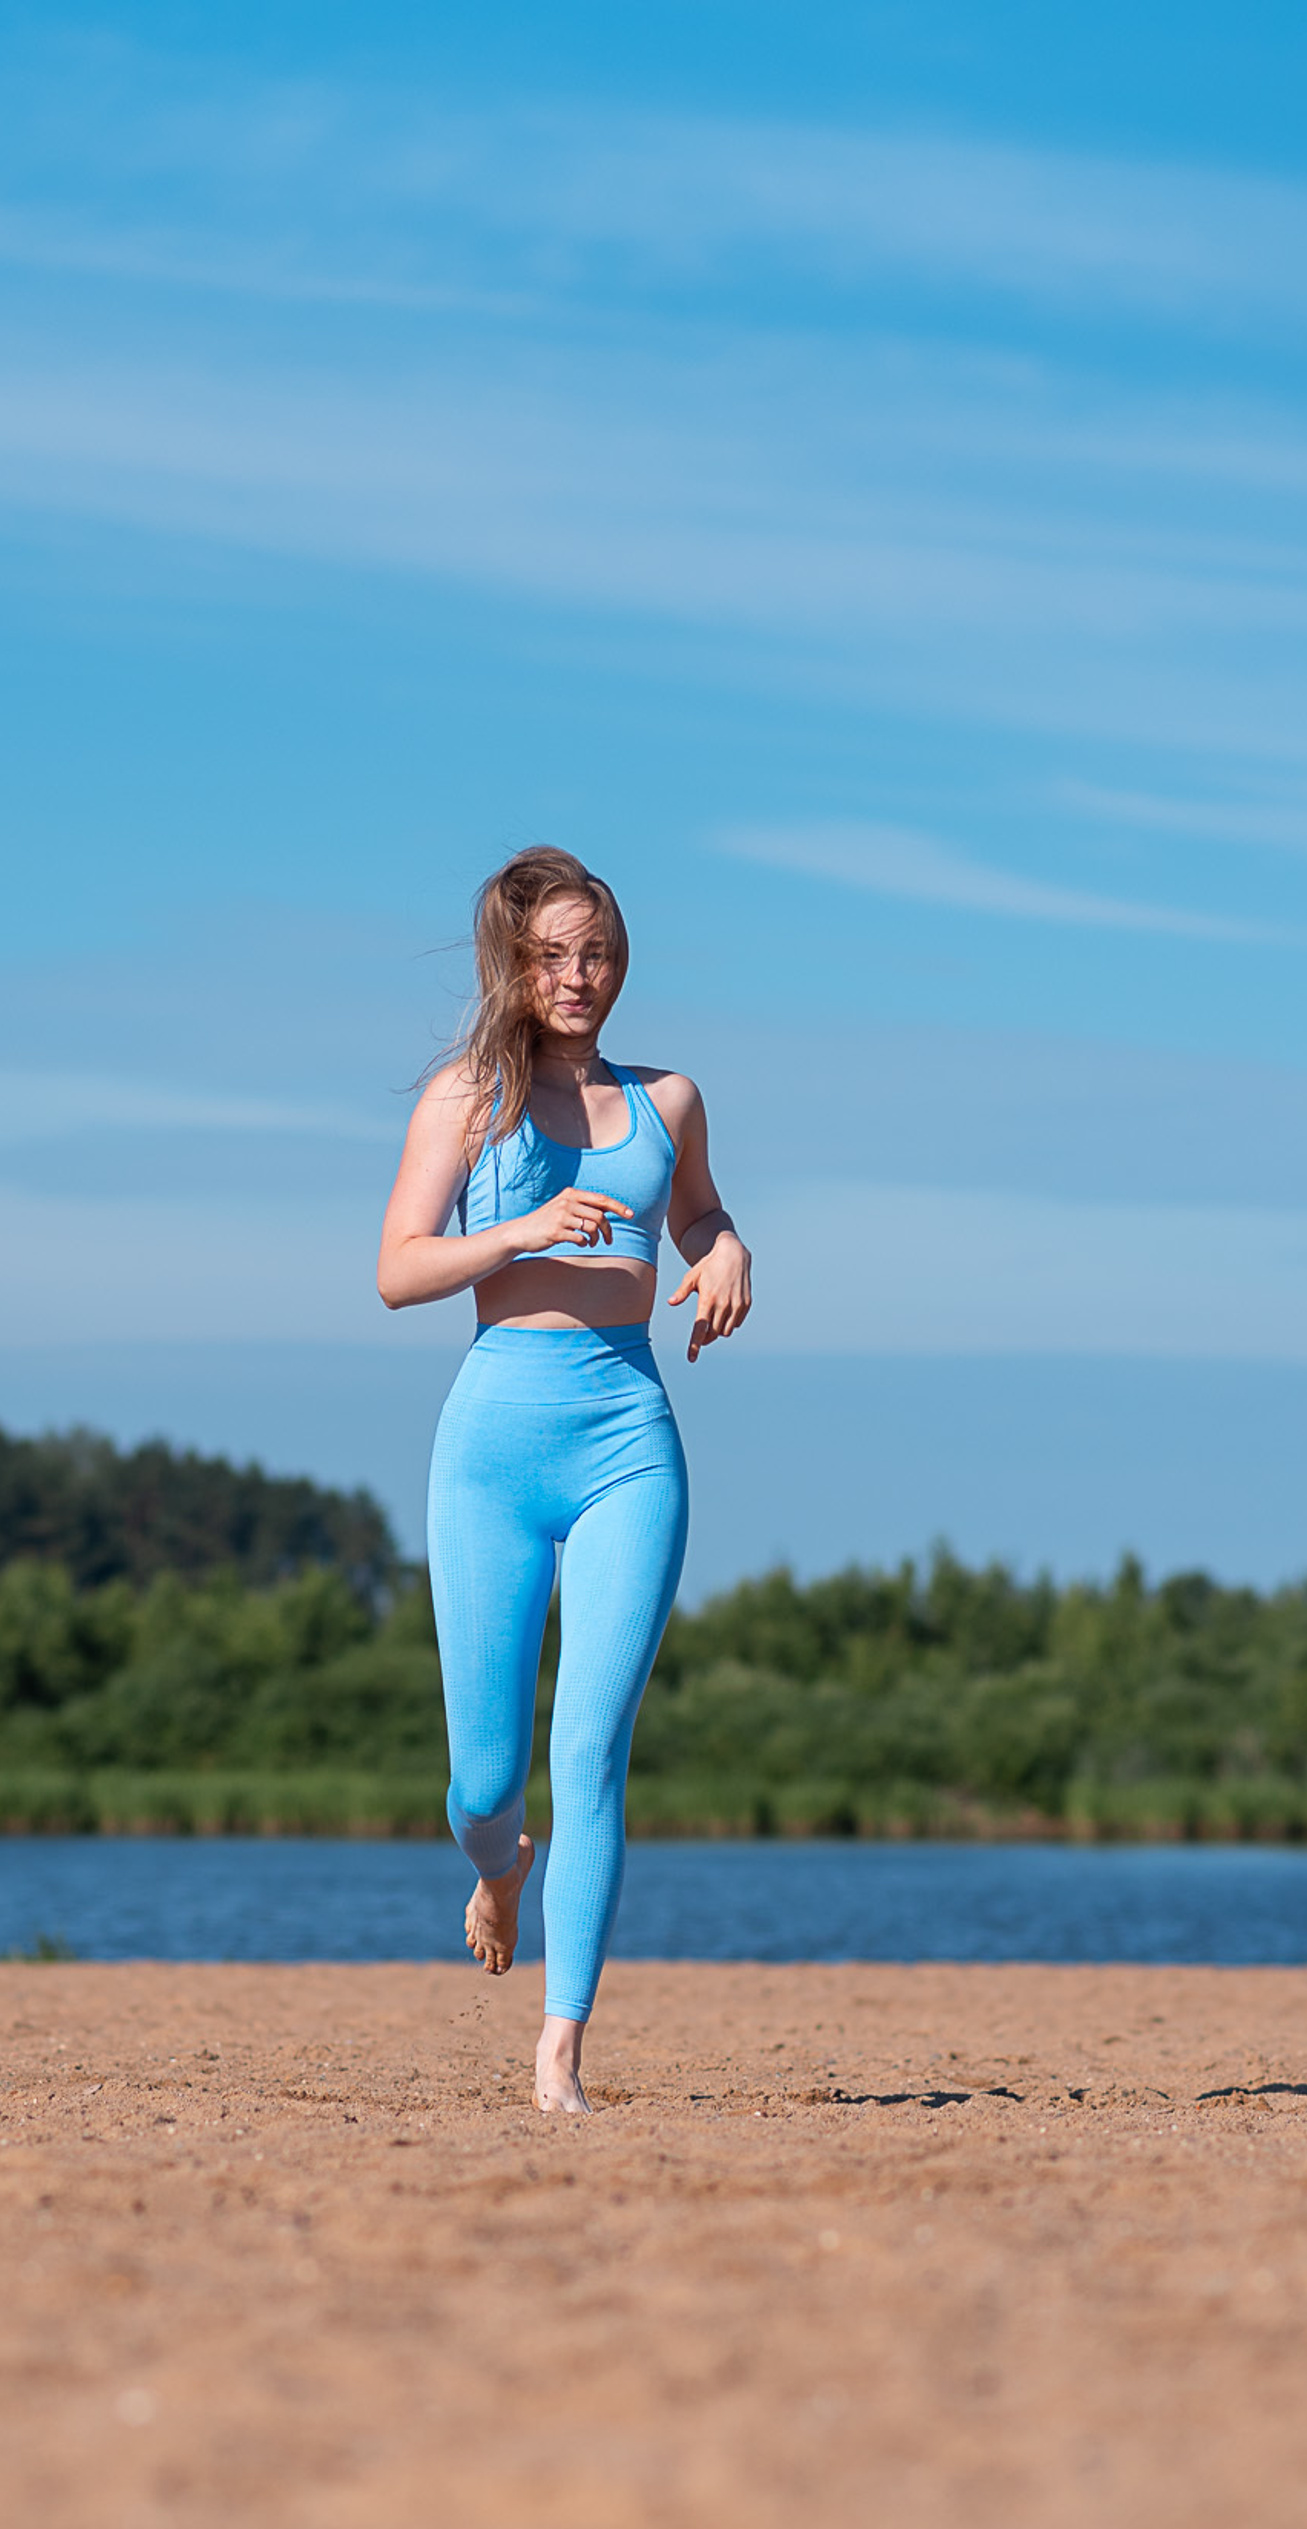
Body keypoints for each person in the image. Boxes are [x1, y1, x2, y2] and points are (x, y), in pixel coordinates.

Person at [378, 847, 751, 2113]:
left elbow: (693, 1213)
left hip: (626, 1437)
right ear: (512, 965)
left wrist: (725, 1248)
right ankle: (496, 1869)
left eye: (592, 952)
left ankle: (560, 2054)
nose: (576, 976)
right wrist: (522, 1231)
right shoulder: (463, 1101)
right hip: (491, 1444)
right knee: (487, 1784)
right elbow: (399, 1269)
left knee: (588, 1747)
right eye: (549, 955)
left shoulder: (669, 1100)